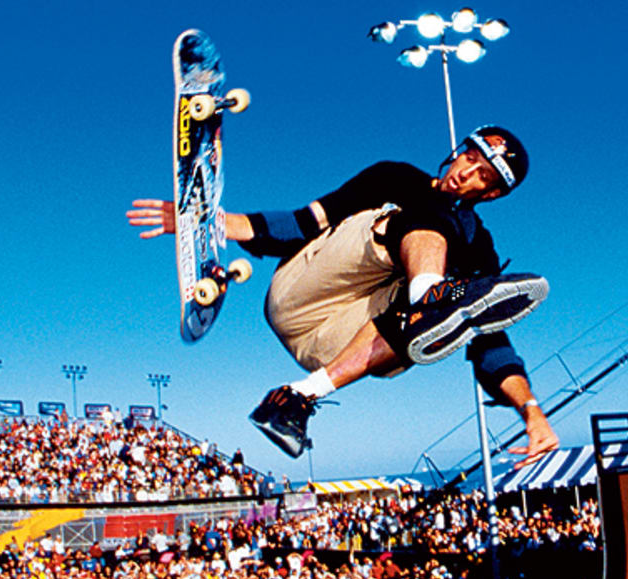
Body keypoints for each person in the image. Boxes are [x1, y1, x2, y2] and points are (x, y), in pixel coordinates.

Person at [128, 126, 558, 464]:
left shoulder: (479, 251)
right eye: (470, 156)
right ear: (459, 149)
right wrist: (207, 223)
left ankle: (298, 398)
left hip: (340, 347)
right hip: (302, 297)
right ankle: (429, 295)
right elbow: (302, 222)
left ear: (492, 192)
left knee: (443, 323)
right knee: (419, 220)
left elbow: (490, 340)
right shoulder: (395, 177)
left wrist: (532, 412)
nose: (465, 172)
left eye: (482, 174)